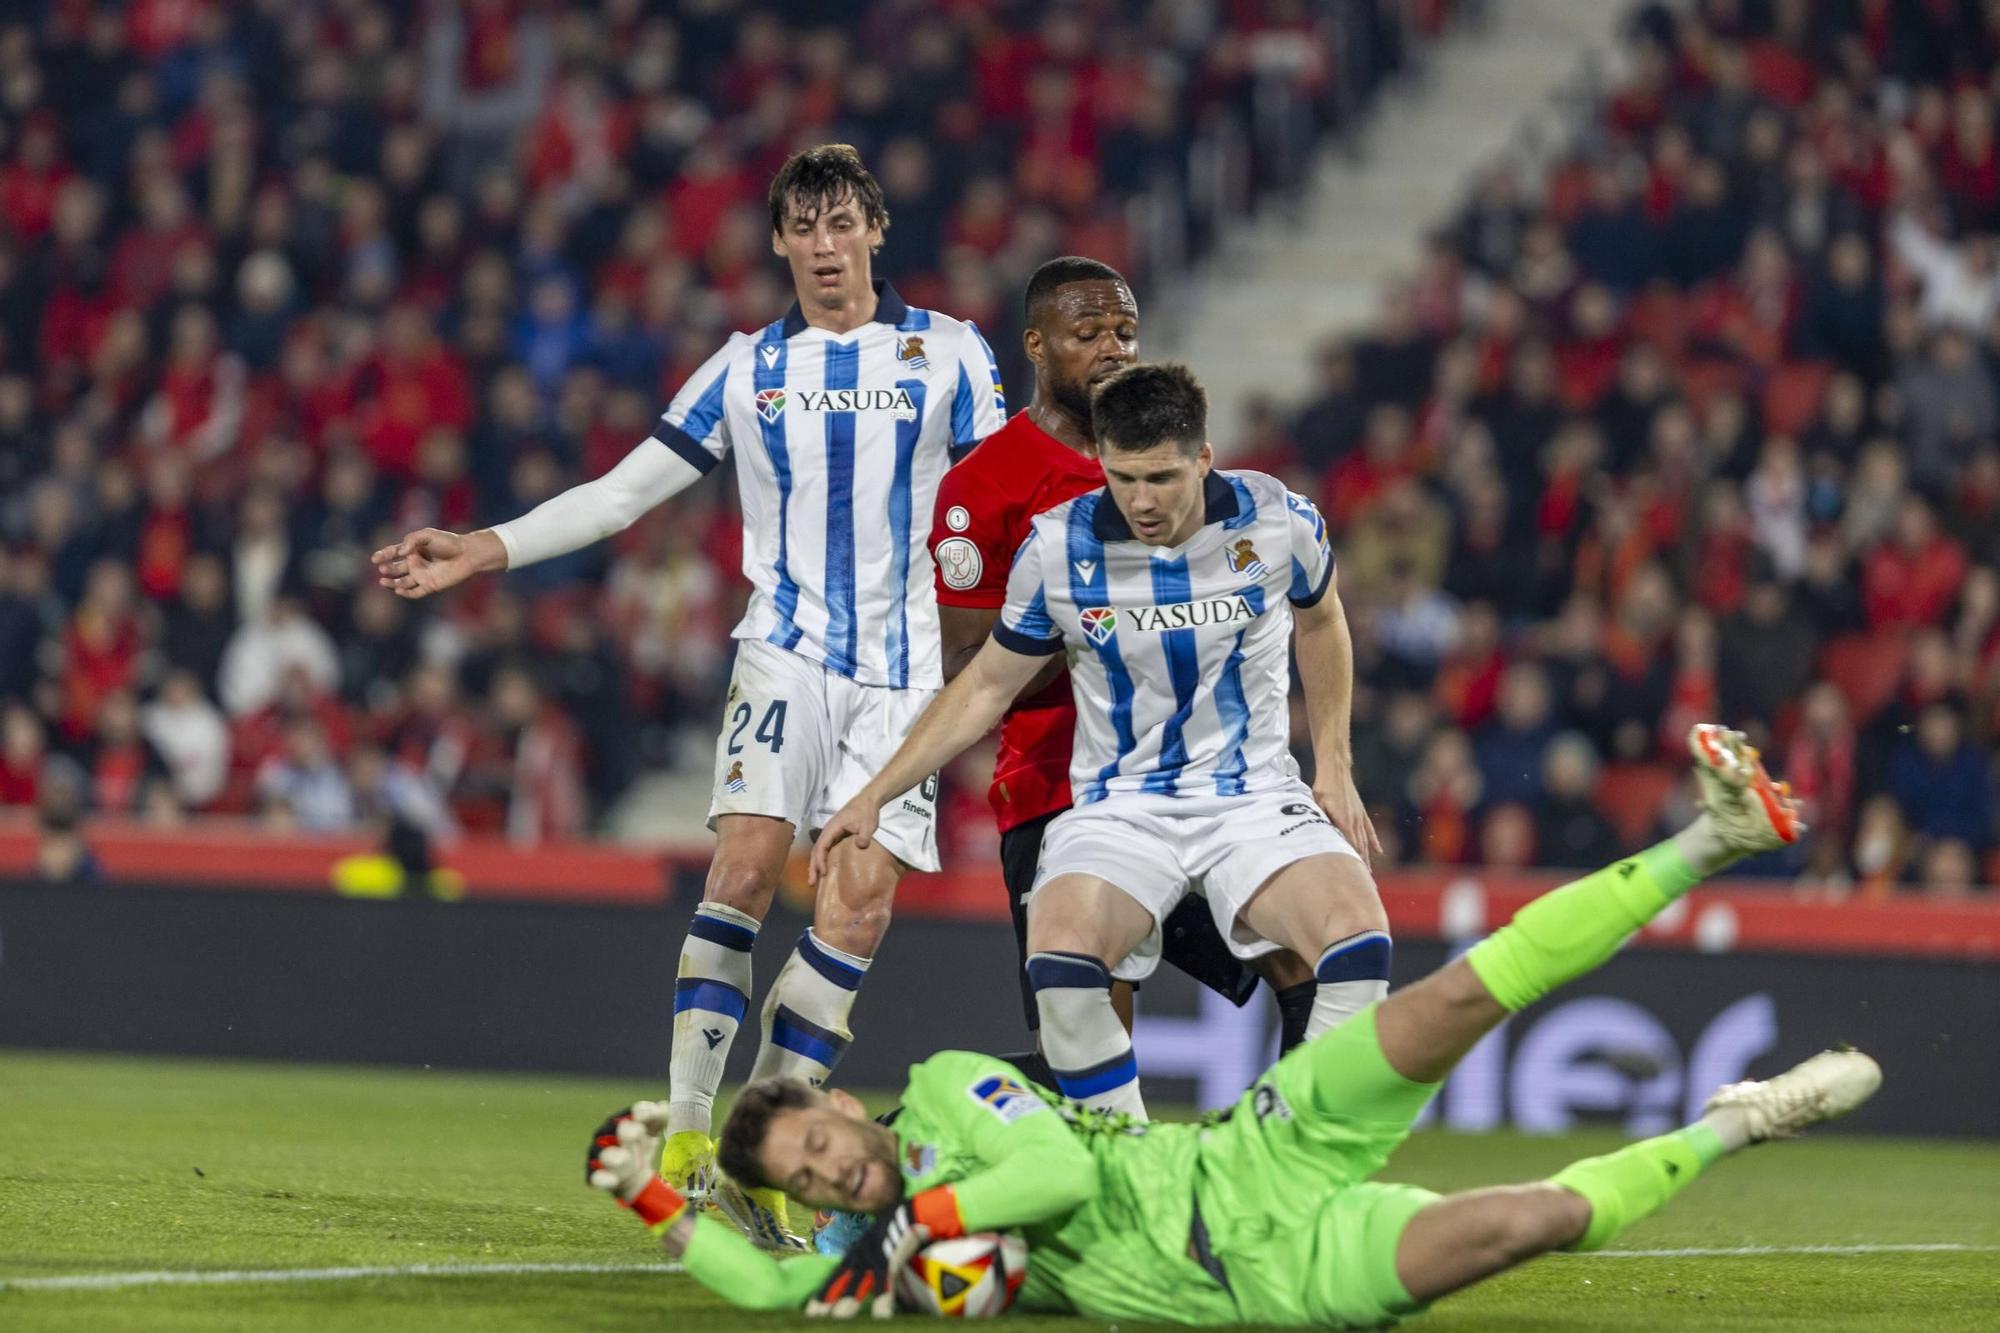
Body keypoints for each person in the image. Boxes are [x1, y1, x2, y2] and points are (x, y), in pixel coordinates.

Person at [583, 726, 1881, 1326]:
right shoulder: (858, 1244)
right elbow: (761, 1278)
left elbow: (1050, 1172)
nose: (831, 1171)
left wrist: (913, 1224)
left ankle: (1714, 835)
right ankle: (1731, 1122)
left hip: (1252, 1149)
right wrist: (653, 1194)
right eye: (810, 1183)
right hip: (1265, 1279)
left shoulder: (945, 1095)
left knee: (1458, 995)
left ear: (840, 1102)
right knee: (1527, 1222)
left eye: (818, 1143)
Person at [372, 144, 1006, 1247]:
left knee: (854, 903)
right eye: (800, 227)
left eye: (839, 222)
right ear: (776, 243)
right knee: (749, 863)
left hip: (906, 673)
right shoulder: (743, 368)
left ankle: (757, 1157)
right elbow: (622, 494)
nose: (821, 245)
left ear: (874, 230)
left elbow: (1007, 501)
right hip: (785, 648)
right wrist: (485, 547)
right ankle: (688, 1133)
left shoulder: (950, 356)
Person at [825, 363, 1389, 1119]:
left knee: (1360, 945)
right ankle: (1124, 1166)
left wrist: (1335, 764)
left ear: (1203, 459)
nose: (1142, 500)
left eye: (1161, 476)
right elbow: (987, 684)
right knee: (1060, 960)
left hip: (1252, 798)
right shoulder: (1058, 548)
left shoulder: (1275, 519)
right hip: (1120, 806)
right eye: (1123, 477)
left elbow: (1322, 619)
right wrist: (873, 791)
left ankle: (1287, 1156)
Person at [927, 258, 1314, 1093]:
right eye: (1089, 332)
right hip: (1059, 792)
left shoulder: (1174, 474)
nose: (1114, 349)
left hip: (1202, 783)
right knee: (1090, 1072)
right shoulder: (982, 487)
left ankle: (1295, 1176)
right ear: (1035, 344)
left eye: (1126, 332)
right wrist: (1093, 634)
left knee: (1311, 965)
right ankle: (891, 1143)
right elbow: (965, 668)